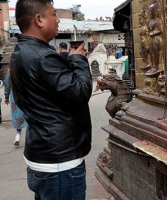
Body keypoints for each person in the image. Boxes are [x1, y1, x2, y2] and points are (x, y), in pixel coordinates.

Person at [10, 0, 92, 199]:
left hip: (43, 155)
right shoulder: (42, 57)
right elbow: (80, 92)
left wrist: (70, 60)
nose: (58, 21)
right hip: (60, 164)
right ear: (39, 19)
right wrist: (79, 60)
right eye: (54, 14)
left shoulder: (22, 52)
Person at [4, 68, 28, 146]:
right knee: (29, 115)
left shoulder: (11, 70)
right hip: (27, 95)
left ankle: (18, 135)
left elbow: (7, 83)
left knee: (17, 116)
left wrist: (6, 97)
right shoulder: (26, 66)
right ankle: (30, 138)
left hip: (15, 96)